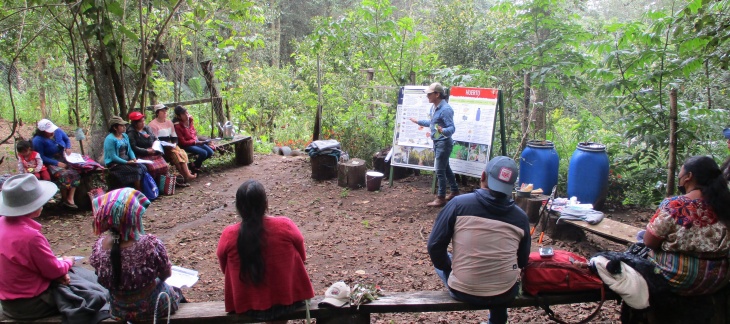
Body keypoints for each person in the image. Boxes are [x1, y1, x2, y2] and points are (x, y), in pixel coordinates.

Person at [428, 156, 530, 324]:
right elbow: (522, 260)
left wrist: (450, 266)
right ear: (512, 187)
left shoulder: (458, 205)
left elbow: (434, 246)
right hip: (504, 291)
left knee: (444, 257)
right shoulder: (520, 218)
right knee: (499, 275)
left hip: (463, 289)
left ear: (483, 176)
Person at [216, 180, 314, 321]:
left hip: (247, 305)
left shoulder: (229, 234)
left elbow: (224, 268)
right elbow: (302, 255)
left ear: (238, 206)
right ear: (265, 203)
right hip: (288, 301)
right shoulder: (285, 225)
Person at [90, 188, 182, 321]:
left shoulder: (99, 247)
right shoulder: (150, 244)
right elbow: (166, 274)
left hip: (118, 309)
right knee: (177, 291)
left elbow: (103, 280)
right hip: (153, 306)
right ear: (134, 215)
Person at [643, 156, 730, 296]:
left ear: (688, 177)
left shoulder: (675, 205)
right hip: (718, 278)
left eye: (681, 174)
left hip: (681, 278)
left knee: (642, 242)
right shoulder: (725, 204)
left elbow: (649, 241)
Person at [0, 174, 75, 319]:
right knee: (88, 289)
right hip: (31, 304)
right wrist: (68, 261)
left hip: (8, 301)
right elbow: (54, 270)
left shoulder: (2, 223)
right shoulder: (30, 236)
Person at [409, 82, 459, 207]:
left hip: (443, 143)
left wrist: (443, 130)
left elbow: (452, 128)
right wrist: (418, 121)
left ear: (437, 94)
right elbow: (432, 122)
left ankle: (441, 197)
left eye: (430, 94)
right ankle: (455, 191)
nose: (428, 97)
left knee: (440, 170)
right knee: (445, 168)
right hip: (437, 142)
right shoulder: (435, 108)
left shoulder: (446, 109)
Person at [31, 118, 80, 208]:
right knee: (64, 174)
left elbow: (66, 139)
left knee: (76, 171)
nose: (51, 132)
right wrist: (56, 163)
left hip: (64, 157)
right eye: (49, 131)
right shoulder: (38, 141)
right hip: (50, 162)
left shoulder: (57, 131)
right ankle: (64, 198)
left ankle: (70, 198)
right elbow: (41, 157)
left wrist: (68, 147)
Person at [147, 104, 197, 182]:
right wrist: (166, 145)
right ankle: (186, 175)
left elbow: (174, 136)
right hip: (161, 147)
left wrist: (174, 144)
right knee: (175, 154)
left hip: (170, 144)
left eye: (165, 111)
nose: (165, 113)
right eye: (162, 111)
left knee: (180, 152)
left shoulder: (169, 122)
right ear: (157, 113)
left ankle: (184, 176)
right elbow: (155, 140)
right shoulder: (153, 125)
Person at [103, 116, 146, 190]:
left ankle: (145, 190)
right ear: (115, 128)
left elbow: (129, 150)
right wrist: (127, 162)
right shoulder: (110, 139)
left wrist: (134, 158)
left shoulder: (125, 136)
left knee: (143, 167)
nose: (124, 127)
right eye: (121, 125)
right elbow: (113, 157)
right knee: (136, 171)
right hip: (115, 164)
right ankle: (138, 192)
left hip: (128, 161)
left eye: (124, 125)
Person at [126, 111, 169, 181]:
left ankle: (162, 184)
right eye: (140, 122)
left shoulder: (147, 128)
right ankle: (152, 185)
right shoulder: (131, 133)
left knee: (165, 165)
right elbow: (133, 147)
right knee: (152, 168)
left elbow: (155, 138)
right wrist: (146, 151)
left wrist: (155, 146)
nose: (143, 123)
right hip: (142, 155)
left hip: (153, 151)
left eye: (143, 121)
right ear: (135, 123)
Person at [173, 105, 214, 173]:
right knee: (203, 153)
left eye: (186, 112)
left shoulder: (190, 120)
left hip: (195, 141)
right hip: (187, 145)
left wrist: (199, 141)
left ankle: (194, 165)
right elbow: (182, 142)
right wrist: (196, 142)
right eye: (183, 114)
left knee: (210, 152)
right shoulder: (177, 126)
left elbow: (193, 132)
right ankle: (195, 168)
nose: (186, 115)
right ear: (179, 116)